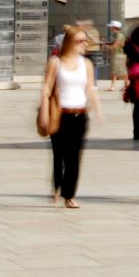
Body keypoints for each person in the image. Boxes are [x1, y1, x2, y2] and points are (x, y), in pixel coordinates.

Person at [42, 23, 96, 208]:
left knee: (74, 156)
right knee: (60, 154)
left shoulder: (86, 64)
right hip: (59, 114)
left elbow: (90, 88)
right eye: (80, 41)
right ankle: (57, 185)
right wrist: (44, 111)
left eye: (85, 41)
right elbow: (46, 88)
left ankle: (69, 195)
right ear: (69, 42)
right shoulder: (55, 62)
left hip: (79, 114)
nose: (84, 44)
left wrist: (97, 106)